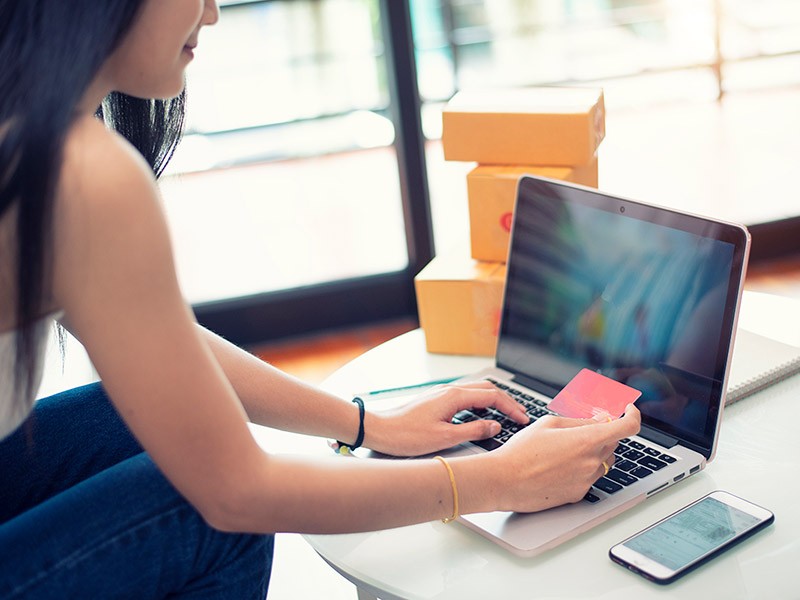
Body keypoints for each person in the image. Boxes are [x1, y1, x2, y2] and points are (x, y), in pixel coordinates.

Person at [0, 1, 641, 597]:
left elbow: (159, 344)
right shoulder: (83, 172)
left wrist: (367, 424)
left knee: (131, 417)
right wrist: (499, 480)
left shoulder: (32, 127)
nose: (215, 13)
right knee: (201, 510)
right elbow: (237, 494)